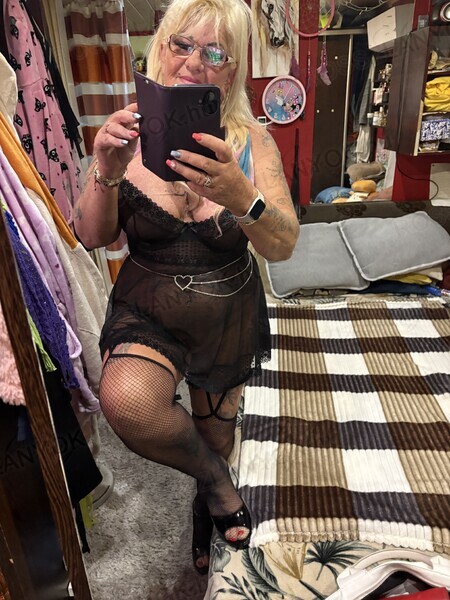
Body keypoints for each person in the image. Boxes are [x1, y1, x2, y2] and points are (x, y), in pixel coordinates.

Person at [74, 0, 299, 575]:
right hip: (148, 307)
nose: (196, 62)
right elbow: (91, 235)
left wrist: (240, 195)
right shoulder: (125, 133)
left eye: (216, 52)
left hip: (227, 313)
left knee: (213, 434)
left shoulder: (254, 142)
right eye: (183, 44)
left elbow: (283, 245)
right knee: (129, 404)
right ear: (162, 46)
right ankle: (217, 480)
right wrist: (106, 167)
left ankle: (206, 501)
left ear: (234, 69)